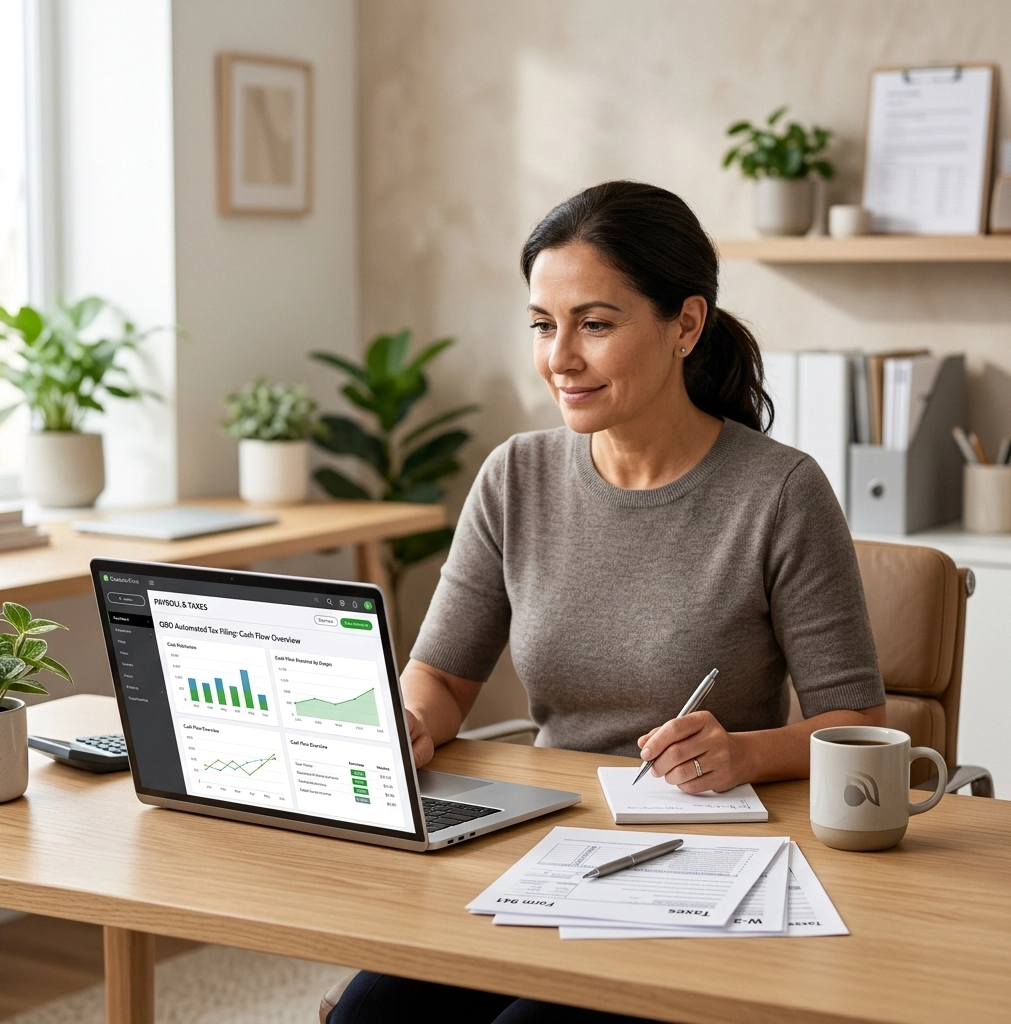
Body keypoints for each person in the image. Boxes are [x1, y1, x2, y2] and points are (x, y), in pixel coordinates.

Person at [326, 180, 885, 1024]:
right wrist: (411, 721)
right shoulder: (515, 477)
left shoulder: (779, 493)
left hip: (701, 864)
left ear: (685, 325)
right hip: (544, 845)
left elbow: (853, 720)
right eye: (543, 326)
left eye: (595, 324)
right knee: (371, 1017)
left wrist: (742, 753)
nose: (560, 358)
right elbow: (439, 679)